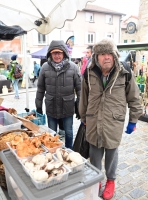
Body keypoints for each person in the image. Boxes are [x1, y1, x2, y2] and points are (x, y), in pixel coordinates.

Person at [79, 38, 142, 200]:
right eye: (102, 54)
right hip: (93, 119)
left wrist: (133, 120)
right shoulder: (89, 71)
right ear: (96, 57)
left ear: (114, 55)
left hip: (114, 121)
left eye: (109, 53)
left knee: (112, 152)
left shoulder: (124, 72)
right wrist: (83, 116)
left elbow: (134, 97)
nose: (106, 57)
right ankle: (97, 179)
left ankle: (111, 181)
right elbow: (83, 97)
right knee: (94, 153)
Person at [35, 40, 81, 149]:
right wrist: (38, 107)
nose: (57, 55)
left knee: (69, 132)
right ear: (50, 54)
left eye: (59, 53)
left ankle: (69, 151)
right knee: (52, 133)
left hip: (68, 107)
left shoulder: (73, 67)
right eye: (54, 53)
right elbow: (40, 89)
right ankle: (54, 152)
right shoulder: (45, 67)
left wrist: (80, 106)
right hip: (51, 106)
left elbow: (80, 89)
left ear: (64, 53)